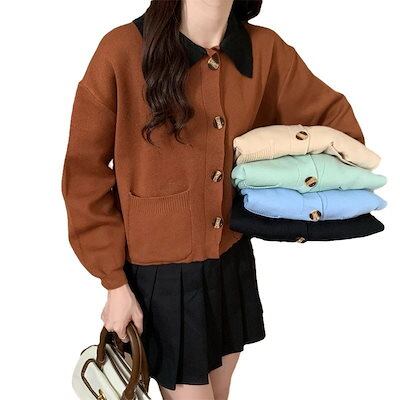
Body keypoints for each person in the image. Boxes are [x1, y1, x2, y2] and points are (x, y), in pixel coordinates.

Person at [61, 0, 364, 398]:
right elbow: (84, 175)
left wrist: (276, 184)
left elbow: (338, 127)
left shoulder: (265, 50)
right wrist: (114, 283)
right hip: (161, 280)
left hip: (229, 263)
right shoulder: (121, 50)